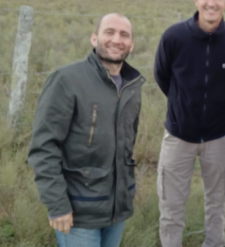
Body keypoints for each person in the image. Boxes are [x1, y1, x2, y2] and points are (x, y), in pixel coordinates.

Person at [28, 13, 143, 247]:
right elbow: (43, 148)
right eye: (109, 32)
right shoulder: (67, 80)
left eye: (124, 35)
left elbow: (127, 145)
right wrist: (57, 205)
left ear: (131, 45)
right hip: (78, 210)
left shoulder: (132, 86)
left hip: (117, 209)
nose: (116, 40)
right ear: (94, 38)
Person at [154, 0, 225, 247]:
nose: (211, 2)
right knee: (171, 208)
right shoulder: (173, 37)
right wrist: (181, 107)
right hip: (178, 137)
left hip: (220, 138)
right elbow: (162, 77)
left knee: (217, 206)